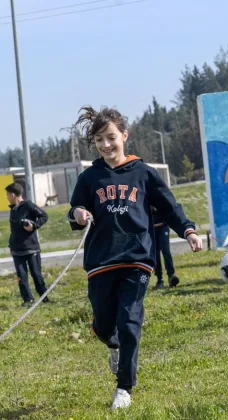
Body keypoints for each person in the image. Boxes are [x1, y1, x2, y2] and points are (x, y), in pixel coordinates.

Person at [68, 105, 202, 410]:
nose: (106, 145)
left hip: (137, 258)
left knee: (129, 321)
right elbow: (75, 210)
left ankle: (124, 388)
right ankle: (111, 342)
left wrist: (189, 231)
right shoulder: (90, 178)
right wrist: (77, 214)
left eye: (111, 137)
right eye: (99, 140)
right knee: (104, 325)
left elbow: (169, 207)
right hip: (101, 261)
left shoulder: (143, 173)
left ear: (124, 136)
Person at [5, 182, 50, 308]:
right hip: (16, 250)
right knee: (21, 276)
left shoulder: (28, 205)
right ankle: (28, 299)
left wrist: (34, 226)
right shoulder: (13, 209)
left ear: (13, 194)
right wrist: (11, 246)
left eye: (7, 194)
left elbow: (44, 216)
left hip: (31, 248)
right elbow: (13, 230)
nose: (6, 197)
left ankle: (43, 297)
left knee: (36, 274)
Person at [150, 205, 179, 290]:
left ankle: (171, 276)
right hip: (152, 229)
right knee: (156, 254)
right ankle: (160, 280)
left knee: (166, 250)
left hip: (163, 227)